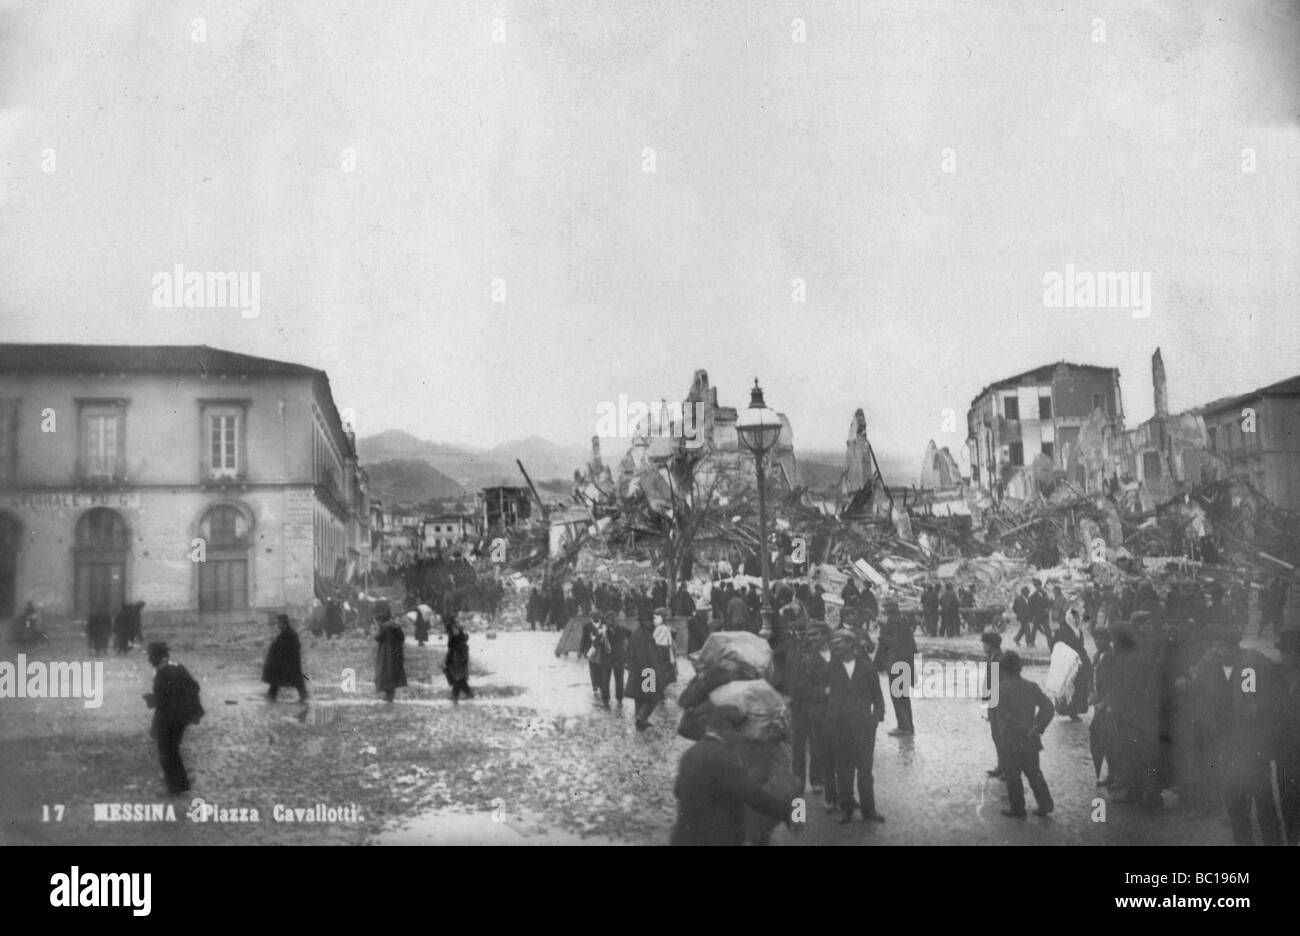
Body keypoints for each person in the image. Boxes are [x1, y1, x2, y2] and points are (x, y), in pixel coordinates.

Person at [670, 704, 797, 845]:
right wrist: (786, 811)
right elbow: (751, 794)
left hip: (685, 838)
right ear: (727, 730)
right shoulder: (724, 758)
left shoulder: (691, 753)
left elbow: (678, 791)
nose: (738, 737)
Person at [826, 628, 886, 823]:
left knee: (865, 771)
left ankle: (869, 810)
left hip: (863, 728)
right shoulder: (831, 668)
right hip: (839, 728)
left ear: (851, 644)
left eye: (839, 643)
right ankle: (847, 809)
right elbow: (823, 694)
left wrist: (875, 719)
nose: (835, 647)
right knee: (843, 770)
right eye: (833, 644)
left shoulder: (867, 668)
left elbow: (878, 696)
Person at [994, 651, 1055, 817]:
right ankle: (1046, 803)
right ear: (1019, 669)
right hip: (1031, 741)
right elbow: (1049, 707)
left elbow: (1005, 717)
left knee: (1013, 777)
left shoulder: (1000, 690)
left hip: (1011, 741)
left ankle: (1018, 808)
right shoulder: (1032, 686)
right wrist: (1038, 726)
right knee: (1034, 773)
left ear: (1003, 670)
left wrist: (1025, 730)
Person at [144, 641, 204, 796]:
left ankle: (174, 789)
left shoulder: (162, 672)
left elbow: (164, 699)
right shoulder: (178, 667)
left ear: (158, 656)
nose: (149, 660)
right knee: (173, 751)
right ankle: (180, 785)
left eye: (150, 656)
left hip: (170, 718)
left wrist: (151, 699)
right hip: (182, 718)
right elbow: (195, 686)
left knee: (166, 752)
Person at [789, 623, 836, 809]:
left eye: (816, 634)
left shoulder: (837, 654)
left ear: (826, 634)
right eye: (810, 635)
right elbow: (798, 687)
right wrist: (824, 691)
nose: (812, 638)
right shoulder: (801, 657)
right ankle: (797, 785)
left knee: (819, 746)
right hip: (803, 709)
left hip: (826, 710)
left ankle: (817, 780)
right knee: (799, 747)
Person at [1275, 629, 1300, 845]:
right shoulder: (1278, 673)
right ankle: (1292, 836)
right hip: (1285, 747)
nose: (1284, 657)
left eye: (1289, 653)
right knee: (1287, 794)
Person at [876, 599, 916, 736]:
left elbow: (895, 644)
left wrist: (882, 636)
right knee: (903, 697)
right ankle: (907, 726)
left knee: (898, 697)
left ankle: (904, 728)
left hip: (897, 664)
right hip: (903, 664)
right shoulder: (901, 622)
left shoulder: (894, 623)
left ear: (888, 611)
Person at [626, 609, 665, 732]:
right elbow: (651, 655)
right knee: (653, 698)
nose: (653, 622)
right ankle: (641, 717)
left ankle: (640, 723)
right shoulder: (646, 635)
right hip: (647, 672)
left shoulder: (636, 633)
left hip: (636, 672)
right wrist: (656, 671)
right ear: (645, 622)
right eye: (650, 620)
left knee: (640, 698)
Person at [262, 613, 308, 702]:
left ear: (284, 623)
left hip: (288, 664)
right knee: (277, 681)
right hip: (283, 664)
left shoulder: (289, 634)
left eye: (278, 622)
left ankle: (304, 697)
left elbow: (293, 648)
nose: (277, 624)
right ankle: (271, 696)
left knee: (295, 681)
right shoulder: (286, 634)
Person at [981, 632, 1006, 778]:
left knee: (1001, 735)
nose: (982, 646)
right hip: (993, 701)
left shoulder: (998, 658)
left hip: (998, 702)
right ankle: (1001, 766)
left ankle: (1006, 768)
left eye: (984, 643)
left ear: (990, 644)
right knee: (996, 735)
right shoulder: (993, 657)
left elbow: (999, 682)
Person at [372, 600, 407, 703]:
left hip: (386, 655)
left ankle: (388, 697)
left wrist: (376, 630)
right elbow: (402, 638)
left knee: (384, 674)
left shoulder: (383, 628)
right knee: (393, 675)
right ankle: (390, 696)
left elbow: (378, 638)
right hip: (396, 655)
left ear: (380, 620)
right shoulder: (396, 626)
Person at [444, 615, 474, 704]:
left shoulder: (461, 642)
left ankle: (458, 698)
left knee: (458, 681)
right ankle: (461, 697)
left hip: (458, 666)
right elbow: (450, 652)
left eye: (455, 630)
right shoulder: (453, 640)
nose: (454, 631)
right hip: (453, 665)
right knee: (457, 682)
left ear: (459, 631)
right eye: (453, 630)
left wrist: (460, 663)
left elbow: (464, 656)